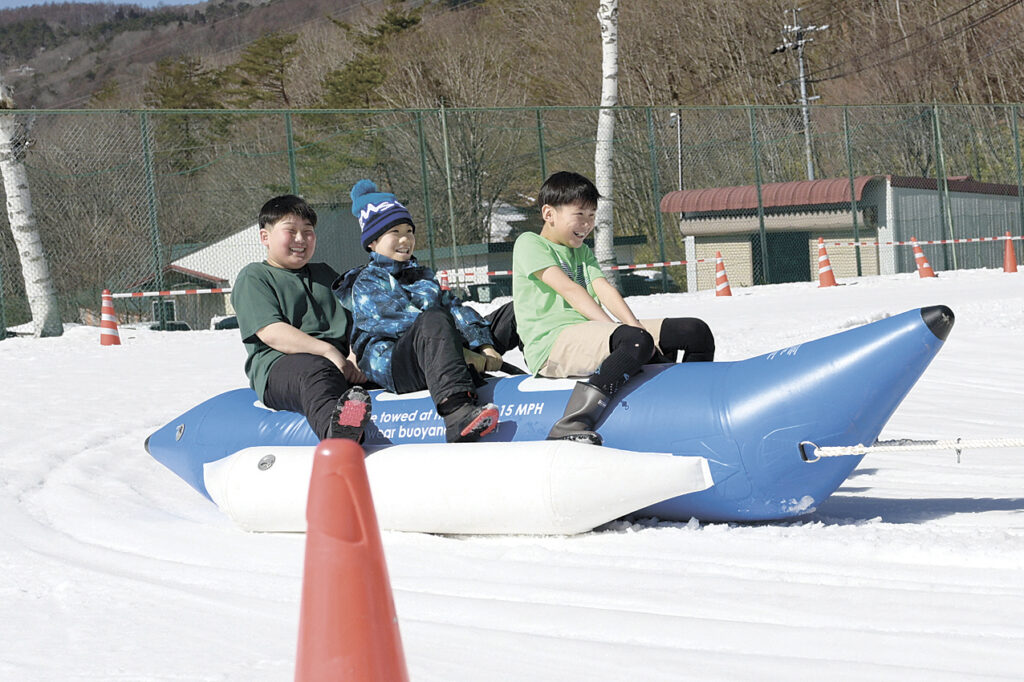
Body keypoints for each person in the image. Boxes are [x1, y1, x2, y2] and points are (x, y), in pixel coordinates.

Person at [513, 171, 715, 445]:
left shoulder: (581, 251)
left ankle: (691, 403)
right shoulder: (529, 243)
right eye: (580, 214)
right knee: (632, 341)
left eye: (592, 216)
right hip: (552, 345)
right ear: (549, 214)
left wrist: (637, 328)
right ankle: (571, 421)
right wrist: (624, 333)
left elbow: (603, 289)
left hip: (589, 333)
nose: (587, 224)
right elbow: (571, 291)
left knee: (694, 331)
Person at [334, 179, 502, 443]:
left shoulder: (422, 276)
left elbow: (454, 307)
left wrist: (483, 344)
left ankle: (556, 381)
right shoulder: (366, 283)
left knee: (506, 316)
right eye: (395, 232)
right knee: (432, 320)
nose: (406, 239)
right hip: (395, 364)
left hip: (438, 348)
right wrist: (461, 349)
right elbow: (404, 322)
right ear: (373, 242)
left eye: (410, 231)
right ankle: (457, 412)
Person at [230, 195, 372, 443]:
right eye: (291, 231)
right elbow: (272, 332)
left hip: (341, 363)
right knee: (316, 370)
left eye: (308, 232)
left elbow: (360, 319)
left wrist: (354, 354)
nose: (300, 239)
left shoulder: (325, 273)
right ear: (265, 237)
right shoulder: (255, 276)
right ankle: (339, 435)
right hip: (284, 367)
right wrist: (328, 351)